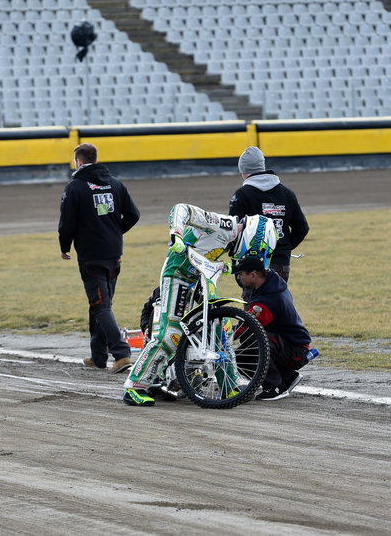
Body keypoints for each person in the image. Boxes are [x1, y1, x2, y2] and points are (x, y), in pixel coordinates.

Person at [123, 204, 277, 406]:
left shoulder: (231, 239)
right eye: (252, 251)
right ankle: (135, 386)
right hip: (177, 275)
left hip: (199, 278)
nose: (247, 256)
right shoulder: (223, 224)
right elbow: (181, 209)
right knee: (171, 333)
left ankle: (228, 385)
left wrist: (227, 267)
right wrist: (176, 235)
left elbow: (210, 254)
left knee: (219, 328)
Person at [59, 143, 140, 374]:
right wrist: (114, 233)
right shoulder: (115, 183)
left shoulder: (74, 187)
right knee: (100, 304)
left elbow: (66, 223)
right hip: (114, 254)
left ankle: (121, 354)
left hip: (91, 256)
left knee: (100, 305)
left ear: (78, 162)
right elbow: (134, 215)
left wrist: (65, 246)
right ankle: (98, 356)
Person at [233, 256, 312, 400]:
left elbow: (246, 326)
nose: (239, 278)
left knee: (244, 352)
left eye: (241, 274)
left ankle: (275, 386)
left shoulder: (267, 300)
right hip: (293, 343)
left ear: (253, 275)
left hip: (295, 350)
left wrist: (223, 336)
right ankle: (287, 376)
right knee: (250, 340)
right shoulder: (272, 284)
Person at [229, 146, 309, 284]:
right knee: (276, 301)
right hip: (280, 262)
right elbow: (302, 228)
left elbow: (232, 231)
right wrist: (284, 248)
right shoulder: (286, 193)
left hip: (250, 265)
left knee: (255, 303)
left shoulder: (242, 195)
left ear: (243, 169)